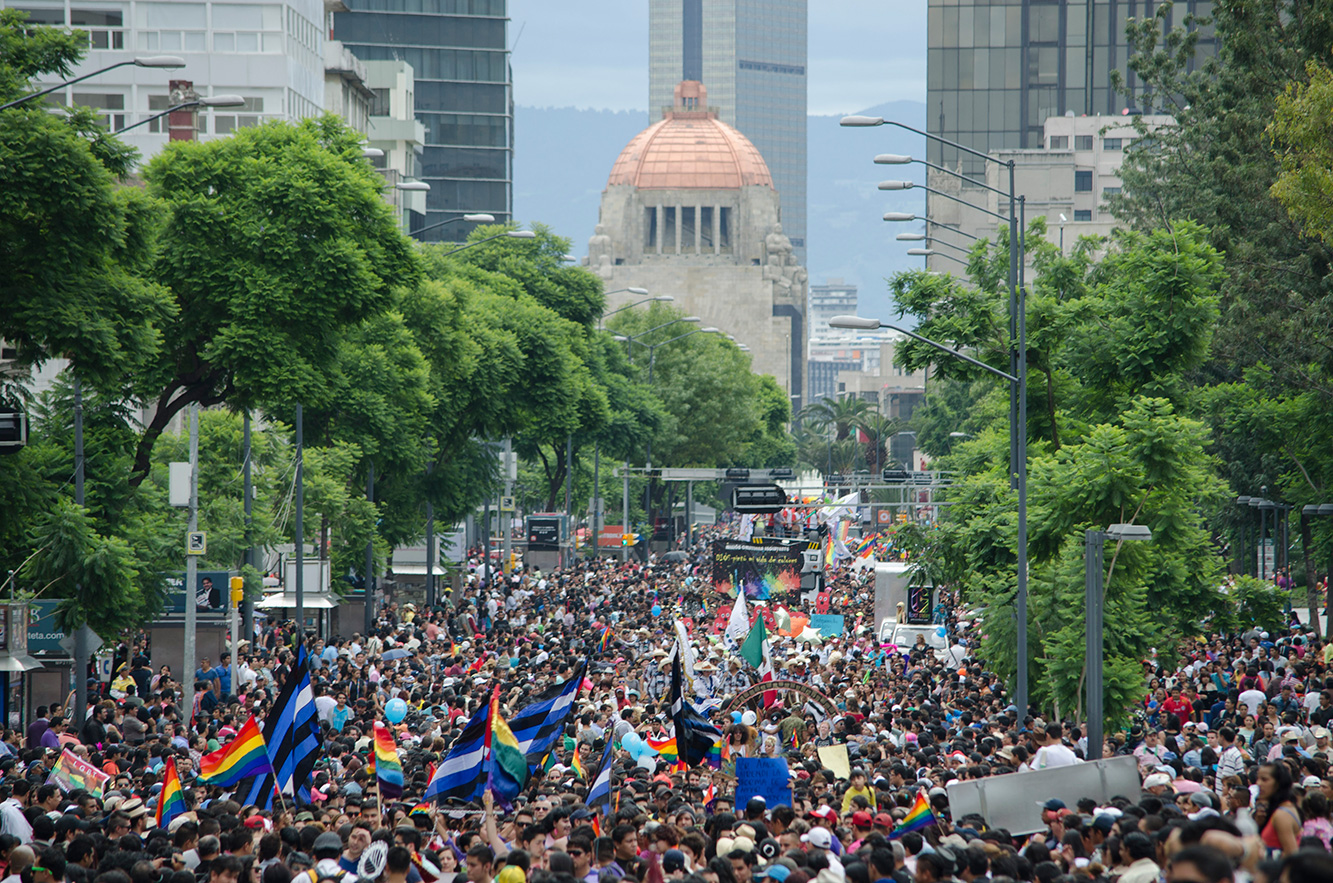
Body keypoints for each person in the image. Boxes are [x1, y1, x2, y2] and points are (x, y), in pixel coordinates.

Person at [1255, 761, 1302, 856]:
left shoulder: (1282, 815)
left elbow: (1291, 855)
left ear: (1278, 783)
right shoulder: (1280, 809)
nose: (1258, 783)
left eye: (1264, 780)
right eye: (1258, 779)